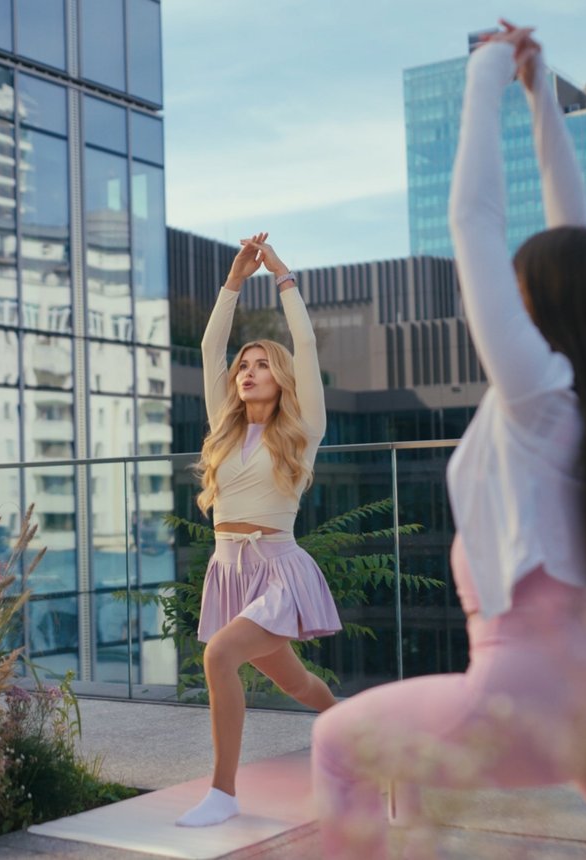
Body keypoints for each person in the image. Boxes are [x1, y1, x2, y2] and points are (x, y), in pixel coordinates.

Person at [311, 23, 586, 859]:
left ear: (539, 303)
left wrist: (485, 69)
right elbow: (573, 232)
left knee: (338, 746)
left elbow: (473, 220)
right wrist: (538, 86)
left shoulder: (537, 397)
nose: (502, 302)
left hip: (523, 693)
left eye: (516, 290)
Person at [177, 233, 341, 828]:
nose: (247, 371)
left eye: (261, 363)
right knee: (300, 685)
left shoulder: (303, 430)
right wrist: (232, 283)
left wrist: (283, 279)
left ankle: (222, 793)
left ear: (282, 377)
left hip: (277, 568)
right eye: (243, 365)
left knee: (220, 655)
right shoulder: (224, 428)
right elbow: (209, 345)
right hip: (230, 569)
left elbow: (305, 342)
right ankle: (360, 739)